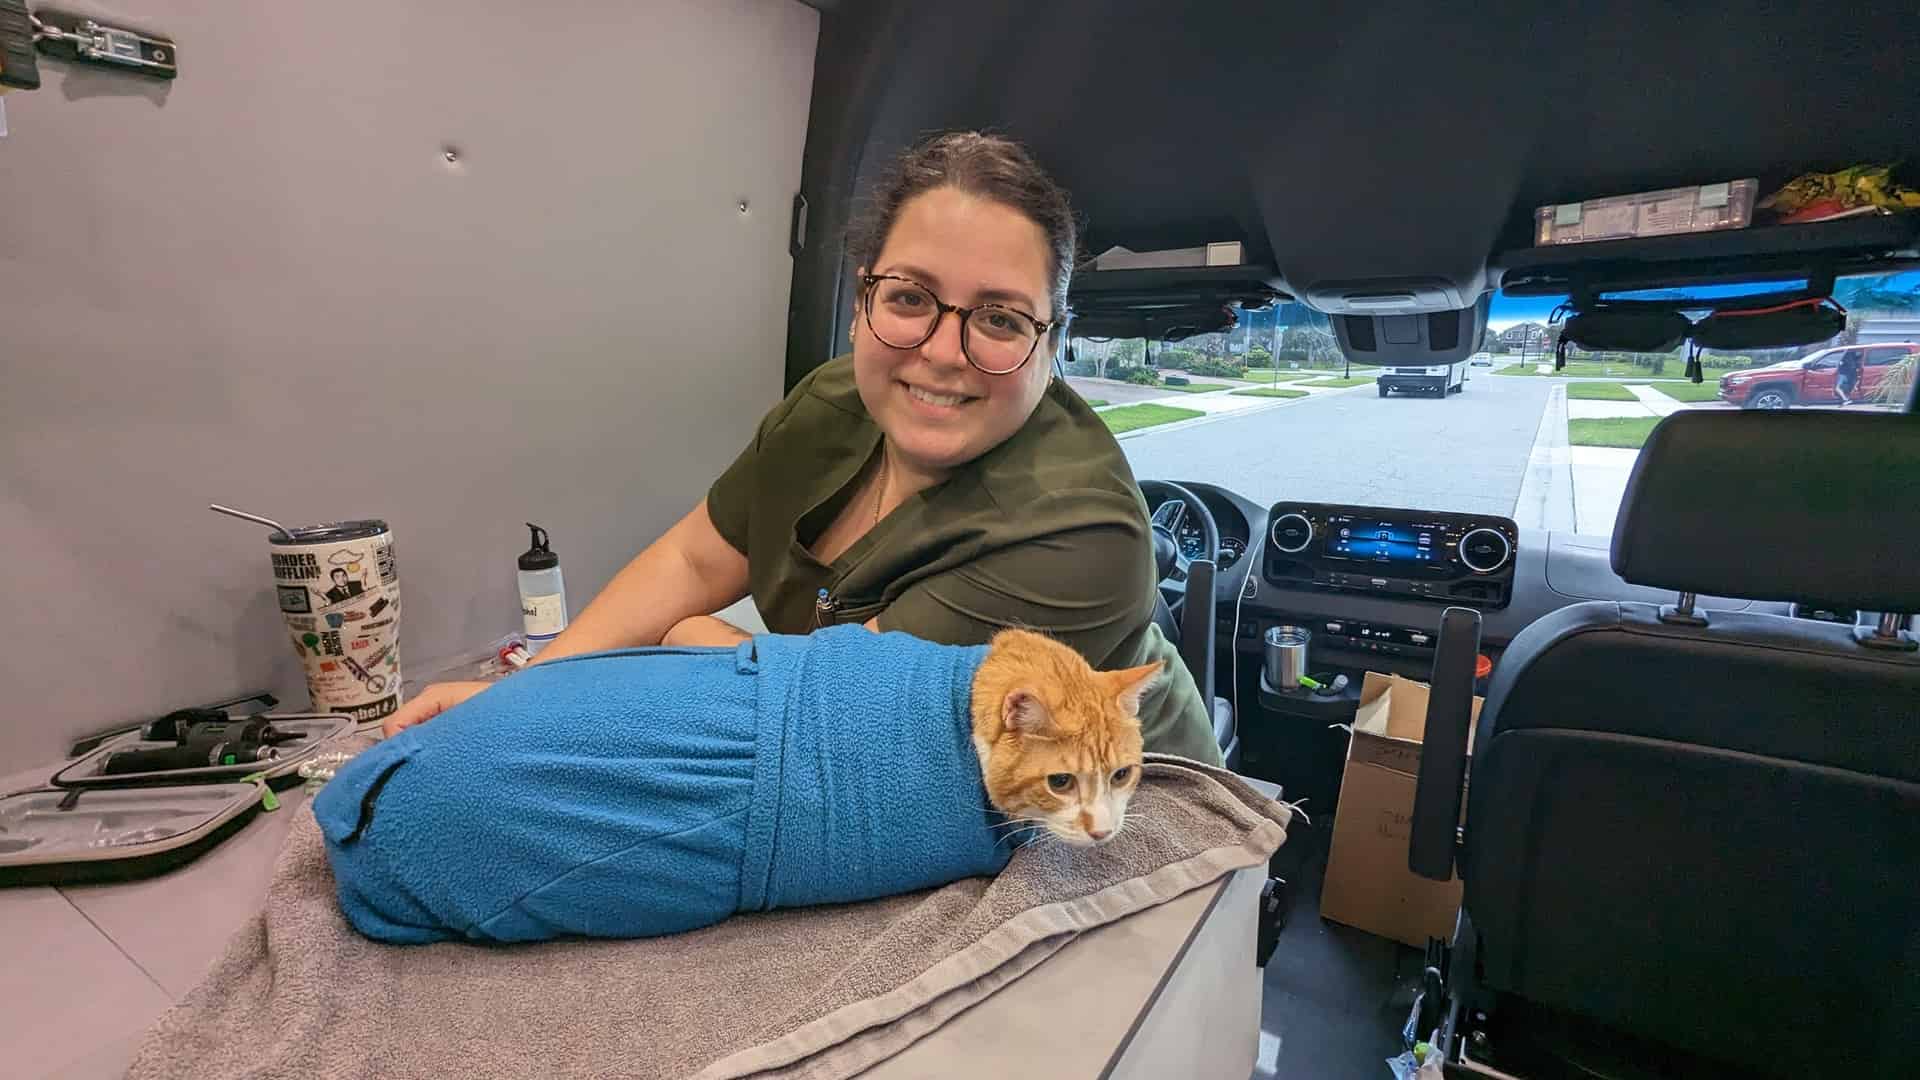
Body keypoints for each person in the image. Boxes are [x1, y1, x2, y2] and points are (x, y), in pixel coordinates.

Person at [384, 132, 1222, 765]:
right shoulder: (829, 407)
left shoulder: (1078, 533)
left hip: (1120, 824)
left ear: (1053, 344)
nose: (942, 351)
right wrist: (518, 697)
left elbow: (837, 723)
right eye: (910, 298)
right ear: (861, 302)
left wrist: (698, 641)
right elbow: (692, 559)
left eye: (1000, 318)